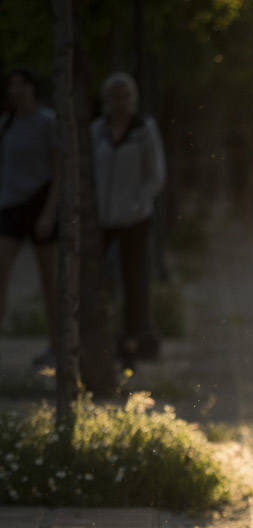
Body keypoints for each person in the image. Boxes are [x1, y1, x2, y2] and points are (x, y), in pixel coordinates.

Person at [92, 72, 166, 369]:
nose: (119, 102)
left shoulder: (144, 129)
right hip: (103, 218)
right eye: (114, 96)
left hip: (135, 218)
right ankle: (101, 338)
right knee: (99, 280)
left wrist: (139, 203)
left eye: (125, 96)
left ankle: (133, 341)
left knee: (135, 281)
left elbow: (156, 174)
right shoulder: (96, 130)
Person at [0, 68, 59, 368]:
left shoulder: (47, 123)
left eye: (20, 84)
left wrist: (49, 212)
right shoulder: (6, 124)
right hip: (10, 207)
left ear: (32, 88)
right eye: (10, 86)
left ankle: (56, 345)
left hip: (39, 205)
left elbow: (58, 170)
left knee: (50, 282)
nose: (14, 91)